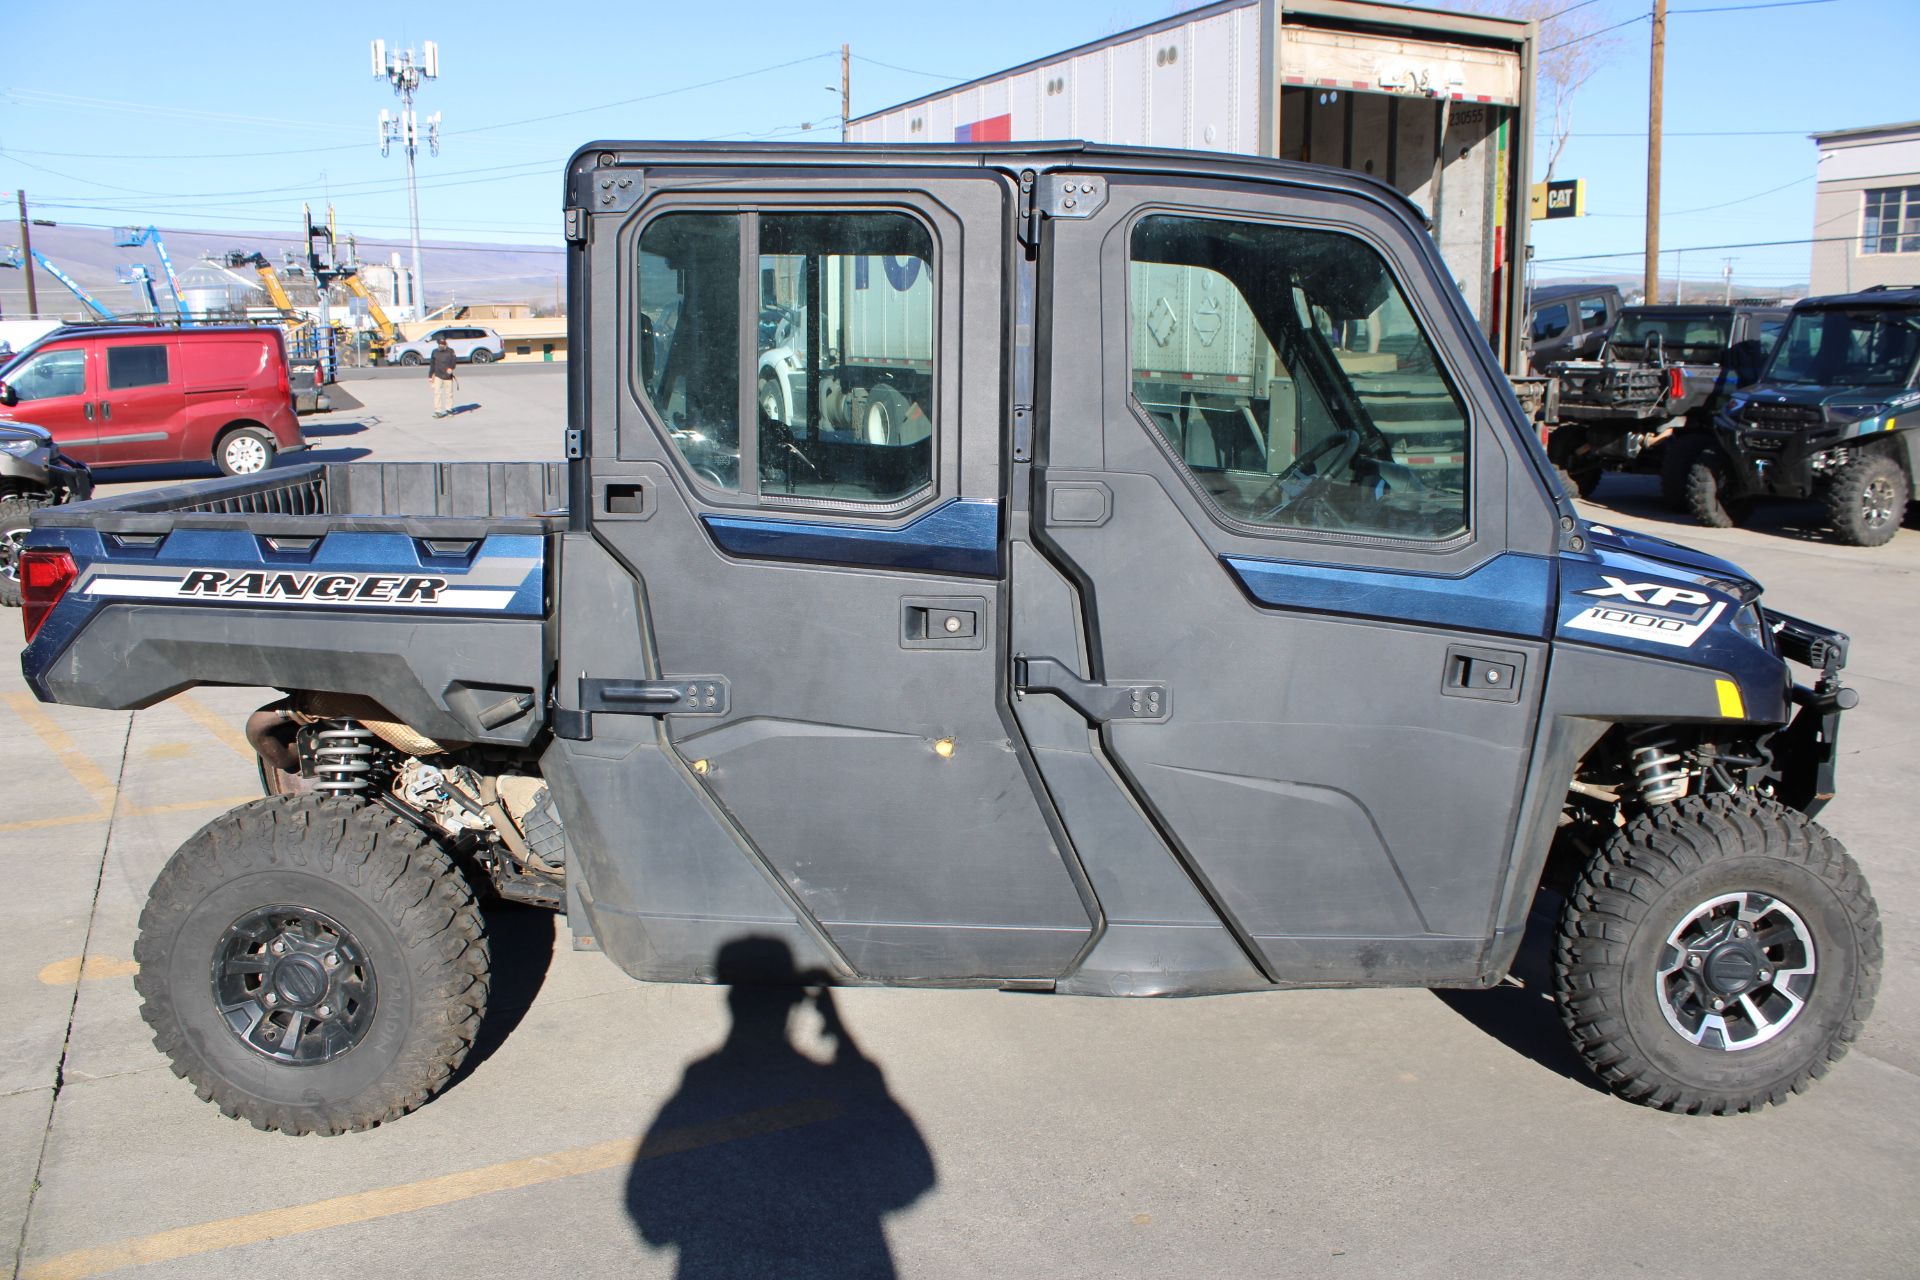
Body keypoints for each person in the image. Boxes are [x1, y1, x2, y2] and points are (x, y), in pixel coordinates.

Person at [428, 333, 457, 417]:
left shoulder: (451, 351)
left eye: (443, 343)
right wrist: (430, 376)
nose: (442, 345)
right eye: (440, 343)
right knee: (437, 393)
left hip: (448, 377)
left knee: (449, 393)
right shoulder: (434, 352)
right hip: (438, 376)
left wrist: (451, 368)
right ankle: (438, 411)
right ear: (438, 343)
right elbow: (432, 364)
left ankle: (449, 409)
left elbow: (454, 361)